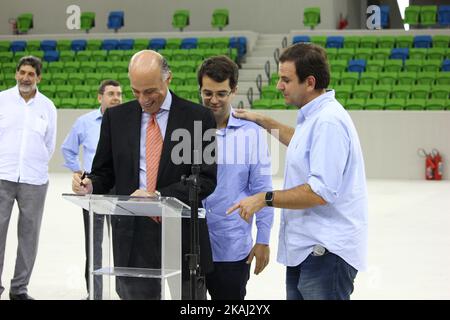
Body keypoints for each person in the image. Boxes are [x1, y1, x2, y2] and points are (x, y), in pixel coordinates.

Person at [71, 50, 216, 300]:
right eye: (136, 91)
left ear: (168, 78)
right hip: (132, 236)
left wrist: (157, 197)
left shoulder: (199, 117)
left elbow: (206, 179)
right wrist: (90, 184)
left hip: (182, 234)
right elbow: (104, 172)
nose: (143, 99)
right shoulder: (116, 118)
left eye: (150, 91)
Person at [227, 43, 368, 300]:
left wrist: (265, 198)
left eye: (286, 79)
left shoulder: (328, 122)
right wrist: (262, 120)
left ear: (310, 82)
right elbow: (302, 143)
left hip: (326, 254)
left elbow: (319, 191)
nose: (279, 86)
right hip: (308, 249)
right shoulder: (314, 116)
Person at [197, 56, 274, 300]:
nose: (214, 100)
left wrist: (263, 239)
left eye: (221, 93)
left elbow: (262, 189)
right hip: (191, 245)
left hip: (231, 248)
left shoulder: (251, 134)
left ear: (234, 91)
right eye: (207, 93)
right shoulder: (187, 129)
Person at [0, 56, 57, 300]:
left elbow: (49, 144)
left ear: (38, 78)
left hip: (34, 180)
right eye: (22, 72)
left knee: (29, 236)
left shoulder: (47, 107)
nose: (25, 78)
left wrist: (36, 164)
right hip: (2, 175)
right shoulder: (2, 100)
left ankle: (19, 288)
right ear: (16, 74)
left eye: (31, 74)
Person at [61, 80, 122, 300]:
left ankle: (124, 292)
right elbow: (67, 149)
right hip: (93, 187)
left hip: (121, 189)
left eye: (119, 94)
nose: (116, 97)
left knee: (123, 244)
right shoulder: (84, 122)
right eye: (111, 93)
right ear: (100, 97)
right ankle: (95, 294)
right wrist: (78, 170)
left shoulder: (127, 122)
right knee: (94, 246)